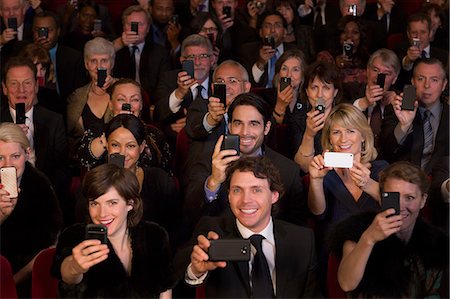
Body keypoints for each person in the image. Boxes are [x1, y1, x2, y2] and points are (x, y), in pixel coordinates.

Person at [174, 156, 321, 298]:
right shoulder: (212, 230)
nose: (246, 200)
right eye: (237, 190)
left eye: (256, 190)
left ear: (274, 196)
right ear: (229, 196)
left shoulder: (302, 240)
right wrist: (195, 271)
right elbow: (177, 272)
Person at [184, 92, 307, 231]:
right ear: (229, 126)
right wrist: (213, 182)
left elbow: (297, 229)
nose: (244, 132)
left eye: (253, 124)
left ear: (266, 128)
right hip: (221, 243)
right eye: (238, 123)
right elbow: (190, 214)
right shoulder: (208, 161)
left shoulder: (288, 170)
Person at [51, 163, 174, 298]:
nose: (102, 214)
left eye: (112, 203)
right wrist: (74, 267)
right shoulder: (74, 236)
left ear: (130, 203)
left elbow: (164, 289)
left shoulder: (155, 236)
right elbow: (66, 273)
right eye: (94, 203)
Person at [330, 161, 449, 298]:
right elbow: (346, 283)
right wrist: (368, 239)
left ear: (423, 200)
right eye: (393, 197)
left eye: (409, 198)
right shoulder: (356, 229)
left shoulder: (435, 243)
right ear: (381, 197)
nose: (401, 206)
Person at [77, 113, 182, 248]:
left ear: (142, 147)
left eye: (130, 146)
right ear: (107, 145)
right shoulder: (92, 181)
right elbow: (81, 229)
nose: (122, 152)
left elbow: (177, 229)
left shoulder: (160, 180)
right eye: (115, 145)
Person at [0, 122, 62, 297]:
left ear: (27, 155)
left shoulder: (40, 185)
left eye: (15, 156)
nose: (7, 164)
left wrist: (12, 282)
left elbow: (50, 245)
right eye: (0, 158)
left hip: (28, 276)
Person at [0, 57, 69, 213]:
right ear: (4, 88)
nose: (21, 90)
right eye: (14, 83)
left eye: (27, 83)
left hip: (44, 202)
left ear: (37, 86)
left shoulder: (54, 120)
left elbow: (62, 171)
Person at [308, 103, 388, 234]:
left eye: (350, 131)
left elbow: (395, 209)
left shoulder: (382, 169)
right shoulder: (325, 173)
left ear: (362, 136)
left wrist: (368, 184)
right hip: (336, 246)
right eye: (336, 132)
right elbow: (317, 214)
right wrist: (316, 180)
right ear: (330, 139)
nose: (343, 139)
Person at [78, 78, 173, 174]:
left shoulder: (154, 134)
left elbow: (166, 173)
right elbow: (84, 158)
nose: (127, 105)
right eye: (121, 99)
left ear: (141, 105)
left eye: (134, 99)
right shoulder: (97, 130)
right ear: (110, 104)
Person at [154, 34, 215, 150]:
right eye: (191, 57)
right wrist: (179, 93)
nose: (197, 62)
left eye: (203, 56)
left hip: (211, 144)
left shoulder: (220, 80)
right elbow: (158, 114)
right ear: (182, 60)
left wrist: (193, 125)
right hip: (176, 146)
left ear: (212, 60)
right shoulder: (168, 79)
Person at [66, 37, 117, 164]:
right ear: (86, 64)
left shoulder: (123, 90)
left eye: (104, 61)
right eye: (93, 61)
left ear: (112, 63)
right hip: (82, 164)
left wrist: (116, 87)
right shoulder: (76, 96)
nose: (99, 67)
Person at [112, 5, 172, 100]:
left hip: (151, 102)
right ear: (123, 27)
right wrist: (119, 44)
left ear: (148, 28)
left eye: (140, 24)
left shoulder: (161, 53)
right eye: (131, 24)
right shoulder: (115, 49)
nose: (134, 29)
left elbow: (164, 87)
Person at [293, 60, 343, 172]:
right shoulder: (298, 120)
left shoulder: (346, 118)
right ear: (307, 91)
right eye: (314, 88)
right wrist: (309, 135)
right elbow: (303, 168)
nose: (319, 95)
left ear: (335, 92)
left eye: (326, 88)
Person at [32, 11, 88, 103]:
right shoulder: (24, 54)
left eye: (49, 30)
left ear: (58, 31)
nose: (44, 36)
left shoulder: (73, 58)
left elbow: (80, 94)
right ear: (32, 31)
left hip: (63, 109)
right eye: (39, 30)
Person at [352, 48, 400, 149]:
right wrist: (364, 102)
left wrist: (397, 108)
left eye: (386, 74)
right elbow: (342, 120)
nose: (378, 78)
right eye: (375, 70)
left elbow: (397, 146)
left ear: (394, 78)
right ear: (367, 71)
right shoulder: (351, 92)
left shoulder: (399, 100)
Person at [237, 11, 296, 88]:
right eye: (267, 26)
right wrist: (260, 63)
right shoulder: (248, 50)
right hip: (259, 97)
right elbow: (246, 83)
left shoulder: (294, 52)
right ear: (261, 32)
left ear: (285, 32)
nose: (272, 30)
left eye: (277, 26)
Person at [394, 13, 449, 90]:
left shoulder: (444, 56)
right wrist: (408, 61)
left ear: (430, 33)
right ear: (408, 34)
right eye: (414, 33)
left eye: (423, 32)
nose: (418, 37)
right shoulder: (399, 51)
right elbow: (398, 82)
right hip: (408, 96)